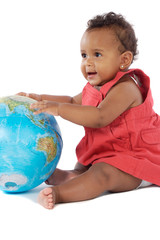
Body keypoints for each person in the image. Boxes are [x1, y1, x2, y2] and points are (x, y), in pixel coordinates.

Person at [18, 12, 160, 209]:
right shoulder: (96, 86)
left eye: (97, 54)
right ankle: (73, 176)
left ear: (124, 60)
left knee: (102, 173)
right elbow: (73, 102)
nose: (88, 63)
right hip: (109, 152)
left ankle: (59, 194)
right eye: (84, 55)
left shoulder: (126, 88)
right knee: (85, 164)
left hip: (138, 160)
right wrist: (41, 98)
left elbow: (100, 117)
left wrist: (58, 109)